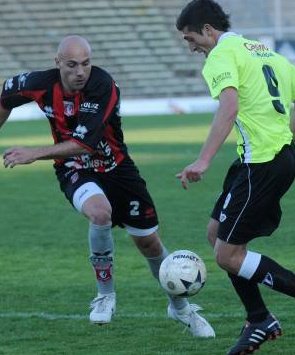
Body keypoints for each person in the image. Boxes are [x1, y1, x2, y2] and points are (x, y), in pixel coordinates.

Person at [0, 35, 215, 337]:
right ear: (57, 63)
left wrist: (32, 153)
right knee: (99, 213)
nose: (80, 72)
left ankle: (181, 309)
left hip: (118, 171)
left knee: (150, 244)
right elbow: (4, 98)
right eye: (72, 65)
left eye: (86, 64)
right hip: (75, 170)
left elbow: (83, 144)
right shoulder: (38, 83)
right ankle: (106, 295)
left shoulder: (102, 85)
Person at [176, 0, 295, 353]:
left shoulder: (221, 56)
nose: (191, 45)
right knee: (216, 234)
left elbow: (229, 106)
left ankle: (261, 316)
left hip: (262, 163)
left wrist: (202, 160)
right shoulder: (265, 53)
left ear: (208, 30)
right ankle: (259, 318)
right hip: (262, 159)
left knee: (228, 255)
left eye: (190, 37)